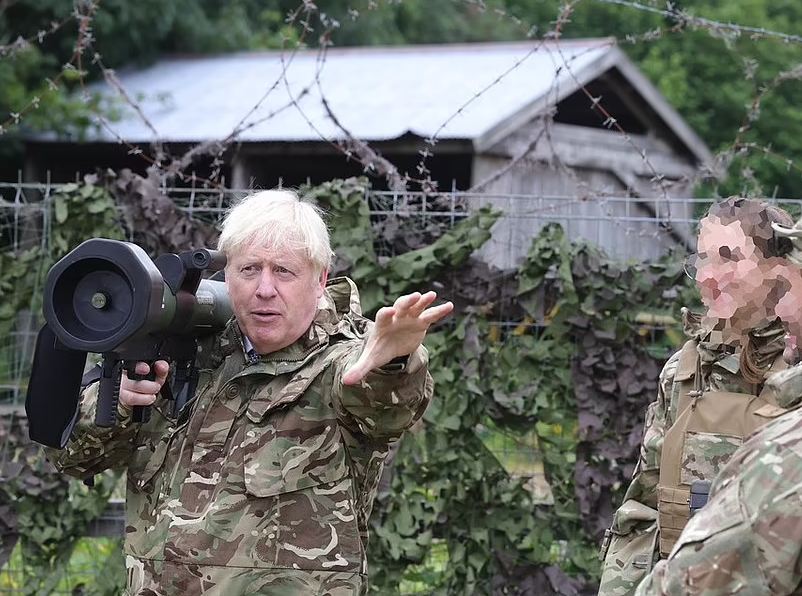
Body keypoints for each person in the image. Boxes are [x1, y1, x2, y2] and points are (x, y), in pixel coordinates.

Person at [46, 190, 454, 595]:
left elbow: (385, 405)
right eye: (249, 269)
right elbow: (72, 459)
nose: (264, 289)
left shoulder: (339, 361)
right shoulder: (181, 351)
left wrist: (393, 361)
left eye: (284, 271)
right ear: (226, 275)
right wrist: (119, 402)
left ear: (320, 279)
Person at [597, 197, 793, 596]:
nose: (708, 276)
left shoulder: (796, 371)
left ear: (775, 272)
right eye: (702, 260)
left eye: (727, 257)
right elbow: (643, 509)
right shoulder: (683, 372)